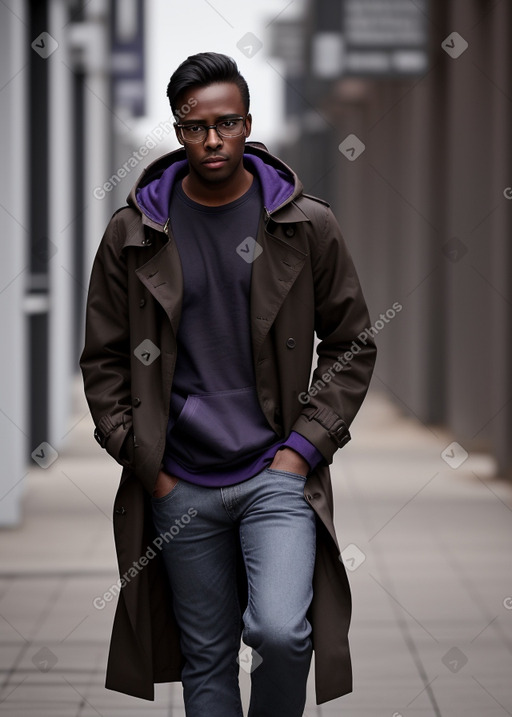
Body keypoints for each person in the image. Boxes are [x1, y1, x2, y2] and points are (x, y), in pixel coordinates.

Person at [80, 51, 376, 717]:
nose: (212, 140)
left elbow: (353, 342)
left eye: (227, 122)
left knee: (280, 631)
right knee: (205, 657)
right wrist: (145, 460)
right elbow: (103, 359)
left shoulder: (305, 225)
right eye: (194, 126)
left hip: (275, 470)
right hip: (179, 480)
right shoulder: (134, 233)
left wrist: (301, 449)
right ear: (178, 129)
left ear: (248, 121)